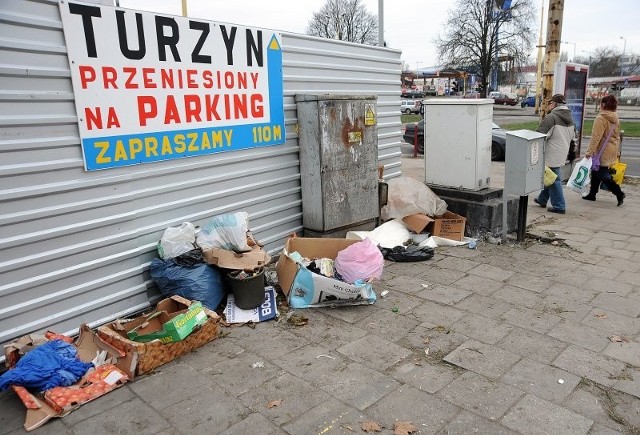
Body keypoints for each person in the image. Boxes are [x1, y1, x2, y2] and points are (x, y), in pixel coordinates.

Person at [533, 94, 576, 214]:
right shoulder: (570, 118)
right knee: (551, 176)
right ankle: (542, 199)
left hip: (551, 153)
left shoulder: (551, 118)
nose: (549, 105)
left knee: (554, 178)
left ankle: (559, 206)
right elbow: (573, 137)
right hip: (562, 152)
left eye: (550, 103)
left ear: (555, 104)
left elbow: (540, 135)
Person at [583, 95, 625, 206]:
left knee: (602, 174)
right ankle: (592, 194)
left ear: (603, 105)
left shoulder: (601, 118)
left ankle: (619, 193)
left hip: (602, 150)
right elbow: (616, 136)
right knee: (596, 171)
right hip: (611, 149)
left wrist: (589, 152)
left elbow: (596, 137)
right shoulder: (615, 117)